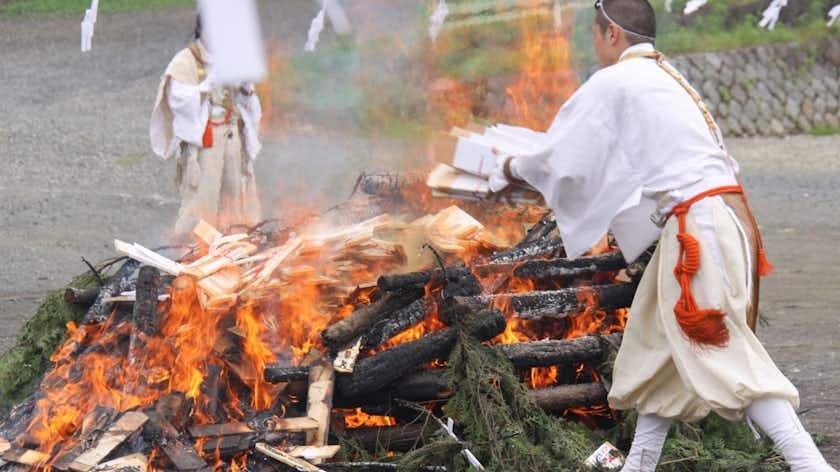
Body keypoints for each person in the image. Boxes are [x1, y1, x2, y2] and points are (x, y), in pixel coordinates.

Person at [489, 1, 836, 470]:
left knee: (724, 355)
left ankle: (810, 465)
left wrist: (504, 166)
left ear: (611, 34)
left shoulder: (618, 80)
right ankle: (640, 464)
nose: (594, 45)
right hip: (719, 219)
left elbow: (562, 159)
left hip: (699, 230)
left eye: (594, 35)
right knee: (653, 347)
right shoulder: (668, 77)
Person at [150, 16, 262, 237]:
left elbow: (247, 104)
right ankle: (192, 250)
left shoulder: (232, 58)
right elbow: (177, 101)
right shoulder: (185, 60)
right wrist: (204, 88)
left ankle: (238, 246)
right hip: (206, 137)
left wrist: (246, 90)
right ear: (200, 29)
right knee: (203, 197)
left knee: (237, 193)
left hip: (232, 134)